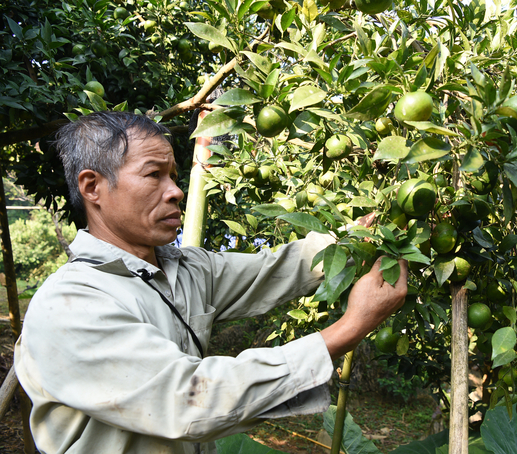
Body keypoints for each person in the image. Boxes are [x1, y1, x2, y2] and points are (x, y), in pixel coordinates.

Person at [13, 111, 407, 454]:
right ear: (92, 187)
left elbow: (275, 270)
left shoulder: (184, 270)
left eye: (173, 175)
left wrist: (357, 239)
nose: (176, 191)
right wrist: (350, 328)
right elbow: (190, 400)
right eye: (154, 175)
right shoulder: (70, 304)